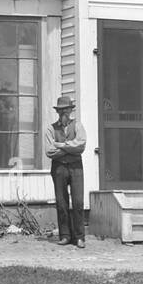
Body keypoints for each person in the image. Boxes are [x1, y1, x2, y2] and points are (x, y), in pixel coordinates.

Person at [44, 95, 86, 248]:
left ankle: (79, 237)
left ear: (71, 110)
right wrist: (70, 148)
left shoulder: (78, 126)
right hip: (59, 168)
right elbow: (49, 151)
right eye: (61, 110)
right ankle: (65, 236)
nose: (64, 113)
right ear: (58, 112)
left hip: (76, 167)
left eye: (66, 109)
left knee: (78, 202)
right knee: (62, 202)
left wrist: (61, 145)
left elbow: (81, 146)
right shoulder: (50, 128)